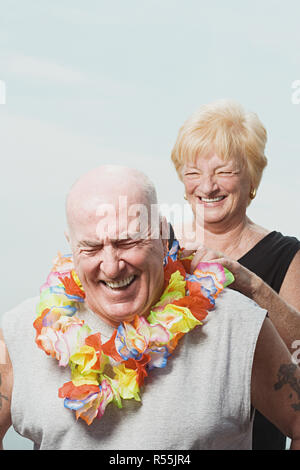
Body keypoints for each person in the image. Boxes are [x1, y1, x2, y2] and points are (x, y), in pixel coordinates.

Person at [0, 165, 300, 450]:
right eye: (91, 247)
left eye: (127, 242)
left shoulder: (238, 324)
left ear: (161, 232)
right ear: (71, 243)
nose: (112, 266)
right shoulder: (18, 333)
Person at [170, 99, 300, 449]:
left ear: (252, 178)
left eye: (224, 172)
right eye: (193, 172)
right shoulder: (158, 247)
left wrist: (251, 285)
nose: (207, 186)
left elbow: (299, 352)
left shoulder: (287, 254)